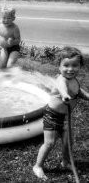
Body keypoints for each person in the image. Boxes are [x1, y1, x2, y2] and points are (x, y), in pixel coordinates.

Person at [33, 46, 89, 180]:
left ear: (80, 66)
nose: (70, 69)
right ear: (59, 67)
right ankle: (38, 166)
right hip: (52, 115)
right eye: (66, 65)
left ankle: (65, 161)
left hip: (65, 117)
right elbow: (63, 89)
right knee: (49, 143)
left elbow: (79, 92)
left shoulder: (74, 80)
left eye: (75, 65)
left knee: (67, 141)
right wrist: (64, 96)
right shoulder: (61, 80)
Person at [0, 6, 21, 71]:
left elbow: (18, 40)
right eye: (4, 18)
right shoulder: (1, 24)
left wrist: (12, 42)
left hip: (14, 49)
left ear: (13, 18)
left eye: (8, 18)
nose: (6, 20)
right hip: (4, 48)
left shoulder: (15, 28)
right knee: (2, 65)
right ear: (1, 18)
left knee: (9, 65)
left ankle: (14, 75)